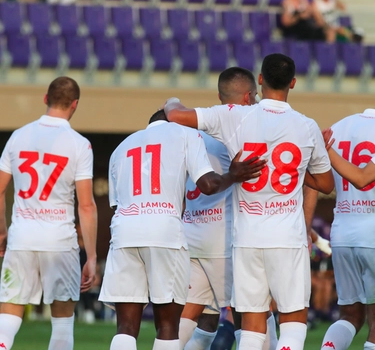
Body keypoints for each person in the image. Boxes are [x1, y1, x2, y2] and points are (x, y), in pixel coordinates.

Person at [165, 53, 334, 350]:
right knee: (292, 320)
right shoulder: (306, 126)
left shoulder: (233, 115)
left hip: (246, 238)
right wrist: (293, 171)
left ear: (260, 79)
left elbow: (176, 115)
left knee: (252, 325)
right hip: (287, 236)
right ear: (293, 83)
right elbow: (325, 183)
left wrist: (172, 101)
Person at [98, 109, 266, 350]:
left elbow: (116, 203)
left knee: (125, 327)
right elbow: (208, 185)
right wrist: (232, 175)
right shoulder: (185, 134)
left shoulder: (121, 148)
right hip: (165, 231)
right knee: (167, 327)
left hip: (124, 231)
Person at [179, 67, 278, 350]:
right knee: (251, 311)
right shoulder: (242, 134)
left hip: (193, 236)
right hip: (225, 239)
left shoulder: (196, 136)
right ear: (248, 98)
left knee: (197, 317)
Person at [0, 76, 98, 350]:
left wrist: (2, 231)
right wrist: (90, 256)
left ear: (46, 98)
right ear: (75, 105)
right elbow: (87, 205)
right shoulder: (79, 144)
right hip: (60, 242)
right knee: (63, 321)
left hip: (22, 238)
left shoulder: (18, 136)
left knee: (8, 315)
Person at [319, 110, 375, 350]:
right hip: (371, 232)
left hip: (342, 232)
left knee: (350, 315)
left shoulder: (337, 128)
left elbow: (317, 182)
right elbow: (363, 179)